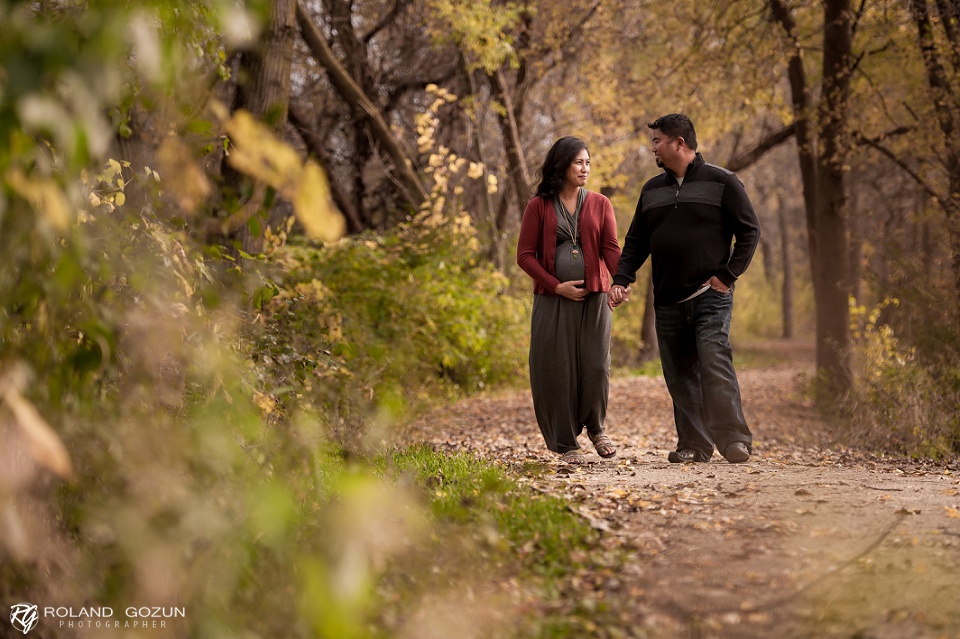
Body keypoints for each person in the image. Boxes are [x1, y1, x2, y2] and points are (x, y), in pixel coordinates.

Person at [609, 114, 760, 464]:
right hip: (667, 299)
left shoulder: (723, 181)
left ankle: (734, 439)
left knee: (714, 362)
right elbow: (636, 242)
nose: (652, 148)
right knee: (679, 375)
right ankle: (693, 444)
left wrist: (728, 274)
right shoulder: (651, 190)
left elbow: (750, 231)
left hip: (710, 296)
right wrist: (621, 278)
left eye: (657, 141)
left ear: (679, 143)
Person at [517, 136, 622, 464]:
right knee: (555, 368)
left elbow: (611, 248)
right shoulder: (538, 206)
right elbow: (524, 256)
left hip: (596, 295)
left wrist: (622, 281)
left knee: (595, 365)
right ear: (561, 165)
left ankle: (597, 428)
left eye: (588, 162)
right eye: (579, 162)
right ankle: (565, 443)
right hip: (553, 299)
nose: (585, 168)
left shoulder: (601, 203)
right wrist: (555, 285)